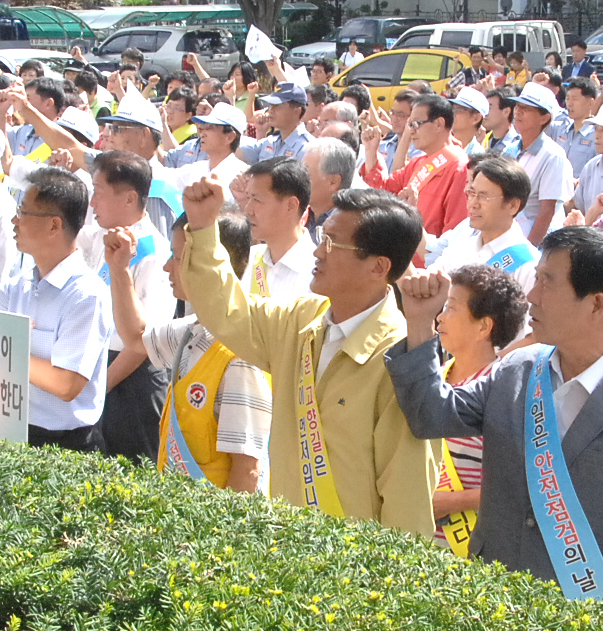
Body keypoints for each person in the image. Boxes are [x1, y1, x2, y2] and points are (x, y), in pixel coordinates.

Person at [389, 227, 603, 621]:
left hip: (586, 625)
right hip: (489, 609)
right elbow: (430, 416)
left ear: (596, 304)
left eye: (547, 282)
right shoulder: (517, 370)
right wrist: (419, 324)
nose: (531, 296)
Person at [180, 178, 437, 536]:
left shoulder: (400, 358)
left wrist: (386, 571)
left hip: (352, 562)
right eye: (321, 237)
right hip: (287, 545)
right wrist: (203, 228)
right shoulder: (302, 319)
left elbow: (408, 496)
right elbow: (225, 311)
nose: (318, 253)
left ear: (379, 267)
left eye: (332, 243)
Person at [0, 166, 116, 452]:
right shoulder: (23, 284)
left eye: (22, 212)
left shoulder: (85, 295)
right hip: (15, 433)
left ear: (54, 225)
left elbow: (66, 384)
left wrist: (1, 342)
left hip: (64, 446)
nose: (14, 220)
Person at [109, 207, 271, 491]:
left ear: (212, 262)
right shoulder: (193, 330)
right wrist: (119, 269)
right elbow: (136, 337)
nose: (167, 267)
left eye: (177, 257)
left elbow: (247, 471)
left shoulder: (241, 356)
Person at [74, 151, 173, 463]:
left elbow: (144, 342)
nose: (92, 203)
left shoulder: (154, 252)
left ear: (130, 198)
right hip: (95, 370)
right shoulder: (99, 237)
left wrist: (99, 387)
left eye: (99, 192)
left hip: (130, 381)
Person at [423, 264, 527, 553]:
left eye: (452, 308)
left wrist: (453, 501)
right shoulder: (435, 376)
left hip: (471, 548)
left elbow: (520, 484)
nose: (440, 317)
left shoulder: (506, 389)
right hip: (419, 542)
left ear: (484, 326)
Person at [360, 94, 468, 238]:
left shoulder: (460, 168)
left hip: (430, 250)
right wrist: (370, 152)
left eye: (416, 124)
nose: (411, 131)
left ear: (439, 124)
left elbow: (455, 232)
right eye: (409, 125)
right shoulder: (417, 163)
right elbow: (383, 191)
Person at [428, 156, 540, 294]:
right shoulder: (459, 248)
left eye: (483, 196)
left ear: (513, 205)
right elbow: (428, 288)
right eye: (472, 193)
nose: (473, 204)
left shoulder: (529, 265)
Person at [506, 82, 573, 244]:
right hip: (510, 236)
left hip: (536, 242)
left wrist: (530, 249)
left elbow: (547, 210)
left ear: (544, 117)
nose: (518, 111)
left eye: (526, 108)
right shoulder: (510, 149)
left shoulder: (553, 156)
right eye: (518, 106)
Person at [301, 137, 353, 237]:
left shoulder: (348, 229)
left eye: (305, 173)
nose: (298, 178)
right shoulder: (298, 214)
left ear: (333, 182)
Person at [248, 84, 314, 163]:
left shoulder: (307, 147)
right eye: (271, 105)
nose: (271, 110)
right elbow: (237, 153)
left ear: (297, 111)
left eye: (277, 105)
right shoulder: (271, 141)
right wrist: (260, 132)